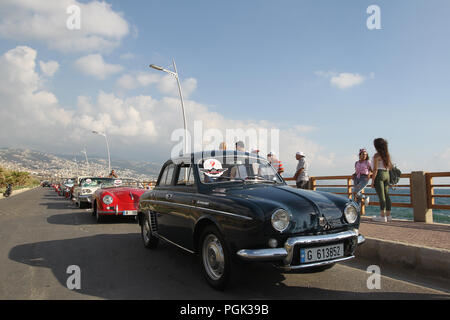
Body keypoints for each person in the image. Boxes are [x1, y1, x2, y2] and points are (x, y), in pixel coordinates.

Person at [371, 138, 393, 222]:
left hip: (379, 175)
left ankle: (382, 216)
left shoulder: (377, 155)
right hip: (387, 174)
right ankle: (388, 215)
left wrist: (372, 181)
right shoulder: (387, 155)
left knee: (381, 196)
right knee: (387, 195)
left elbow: (375, 169)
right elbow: (389, 166)